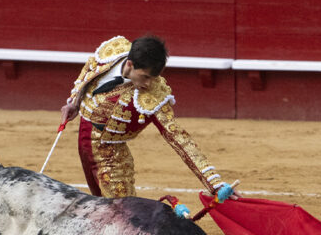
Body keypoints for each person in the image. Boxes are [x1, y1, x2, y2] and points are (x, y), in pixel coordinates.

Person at [59, 35, 232, 201]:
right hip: (84, 144)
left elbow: (179, 138)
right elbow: (88, 72)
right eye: (145, 76)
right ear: (130, 64)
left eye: (153, 78)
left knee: (121, 214)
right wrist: (74, 102)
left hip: (111, 159)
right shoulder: (112, 52)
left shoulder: (154, 96)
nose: (148, 84)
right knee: (97, 204)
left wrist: (214, 183)